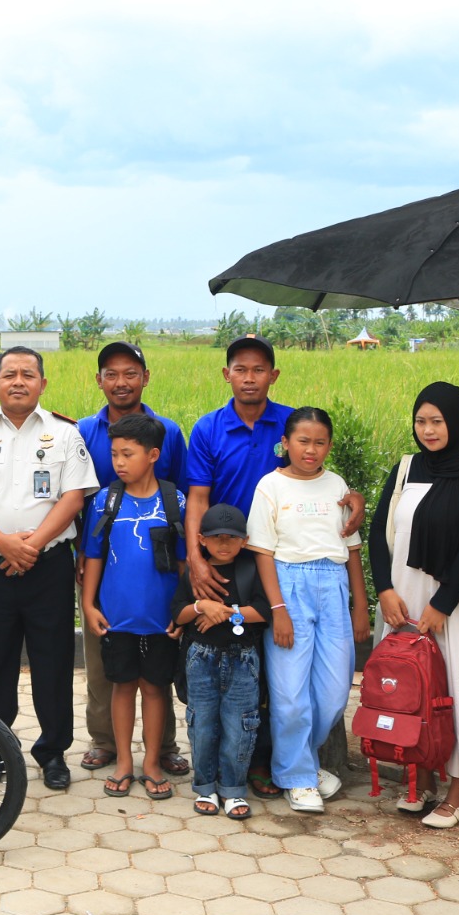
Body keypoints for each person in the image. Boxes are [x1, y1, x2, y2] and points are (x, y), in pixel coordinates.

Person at [184, 337, 364, 798]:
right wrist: (196, 559)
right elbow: (198, 498)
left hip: (279, 557)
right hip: (230, 557)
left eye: (259, 369)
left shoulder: (289, 423)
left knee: (280, 674)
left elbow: (319, 482)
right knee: (246, 664)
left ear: (273, 375)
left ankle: (270, 763)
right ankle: (240, 765)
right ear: (227, 374)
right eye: (241, 369)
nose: (249, 378)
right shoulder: (208, 428)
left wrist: (353, 500)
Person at [0, 346, 99, 790]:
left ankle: (53, 754)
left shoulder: (64, 434)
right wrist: (3, 543)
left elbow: (73, 497)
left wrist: (31, 545)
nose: (18, 381)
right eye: (9, 374)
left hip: (47, 567)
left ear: (42, 384)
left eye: (28, 374)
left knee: (54, 663)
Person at [369, 382, 459, 829]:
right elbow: (378, 531)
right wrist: (384, 590)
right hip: (403, 596)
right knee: (411, 684)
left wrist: (443, 602)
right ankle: (421, 777)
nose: (428, 430)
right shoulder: (407, 468)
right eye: (421, 421)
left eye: (438, 421)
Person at [247, 406, 370, 813]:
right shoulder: (270, 486)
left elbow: (352, 548)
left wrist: (360, 606)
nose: (311, 450)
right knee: (290, 693)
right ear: (286, 443)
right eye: (303, 441)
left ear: (329, 446)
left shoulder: (337, 485)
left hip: (333, 586)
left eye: (320, 443)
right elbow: (263, 553)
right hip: (288, 585)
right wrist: (278, 609)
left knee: (334, 693)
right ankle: (298, 776)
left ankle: (298, 763)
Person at [76, 342, 188, 778]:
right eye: (111, 373)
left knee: (158, 679)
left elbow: (180, 496)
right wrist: (86, 582)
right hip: (107, 572)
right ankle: (107, 745)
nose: (120, 381)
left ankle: (162, 750)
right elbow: (78, 498)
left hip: (160, 584)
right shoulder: (85, 431)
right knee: (108, 671)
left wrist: (185, 601)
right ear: (99, 380)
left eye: (130, 372)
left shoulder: (168, 432)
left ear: (145, 377)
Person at [169, 504, 271, 820]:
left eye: (231, 538)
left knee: (240, 726)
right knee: (202, 724)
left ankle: (233, 788)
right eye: (216, 537)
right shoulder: (195, 574)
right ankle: (205, 786)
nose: (224, 544)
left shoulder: (251, 569)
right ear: (201, 539)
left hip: (243, 660)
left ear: (245, 540)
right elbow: (178, 614)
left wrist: (225, 613)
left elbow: (263, 611)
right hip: (201, 658)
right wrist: (202, 606)